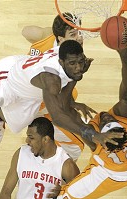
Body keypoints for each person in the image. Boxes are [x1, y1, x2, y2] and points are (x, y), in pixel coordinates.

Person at [46, 36, 127, 199]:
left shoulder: (94, 139)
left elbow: (63, 110)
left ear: (101, 135)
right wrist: (124, 56)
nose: (107, 118)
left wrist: (75, 77)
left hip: (112, 173)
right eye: (111, 122)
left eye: (105, 124)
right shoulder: (126, 119)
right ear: (122, 126)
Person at [0, 40, 122, 152]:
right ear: (61, 63)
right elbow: (59, 117)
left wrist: (93, 145)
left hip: (29, 94)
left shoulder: (69, 57)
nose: (78, 67)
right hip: (5, 79)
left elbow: (66, 103)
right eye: (73, 63)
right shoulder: (51, 81)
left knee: (17, 126)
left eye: (80, 61)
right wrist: (94, 135)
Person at [22, 13, 90, 161]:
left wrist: (43, 33)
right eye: (73, 34)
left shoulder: (49, 37)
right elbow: (62, 102)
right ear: (61, 38)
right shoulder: (56, 69)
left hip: (28, 92)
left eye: (79, 31)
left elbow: (25, 31)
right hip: (36, 105)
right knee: (78, 144)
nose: (79, 37)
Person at [0, 117, 90, 199]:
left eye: (31, 138)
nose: (27, 141)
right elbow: (5, 192)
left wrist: (64, 193)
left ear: (45, 139)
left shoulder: (67, 165)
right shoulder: (21, 153)